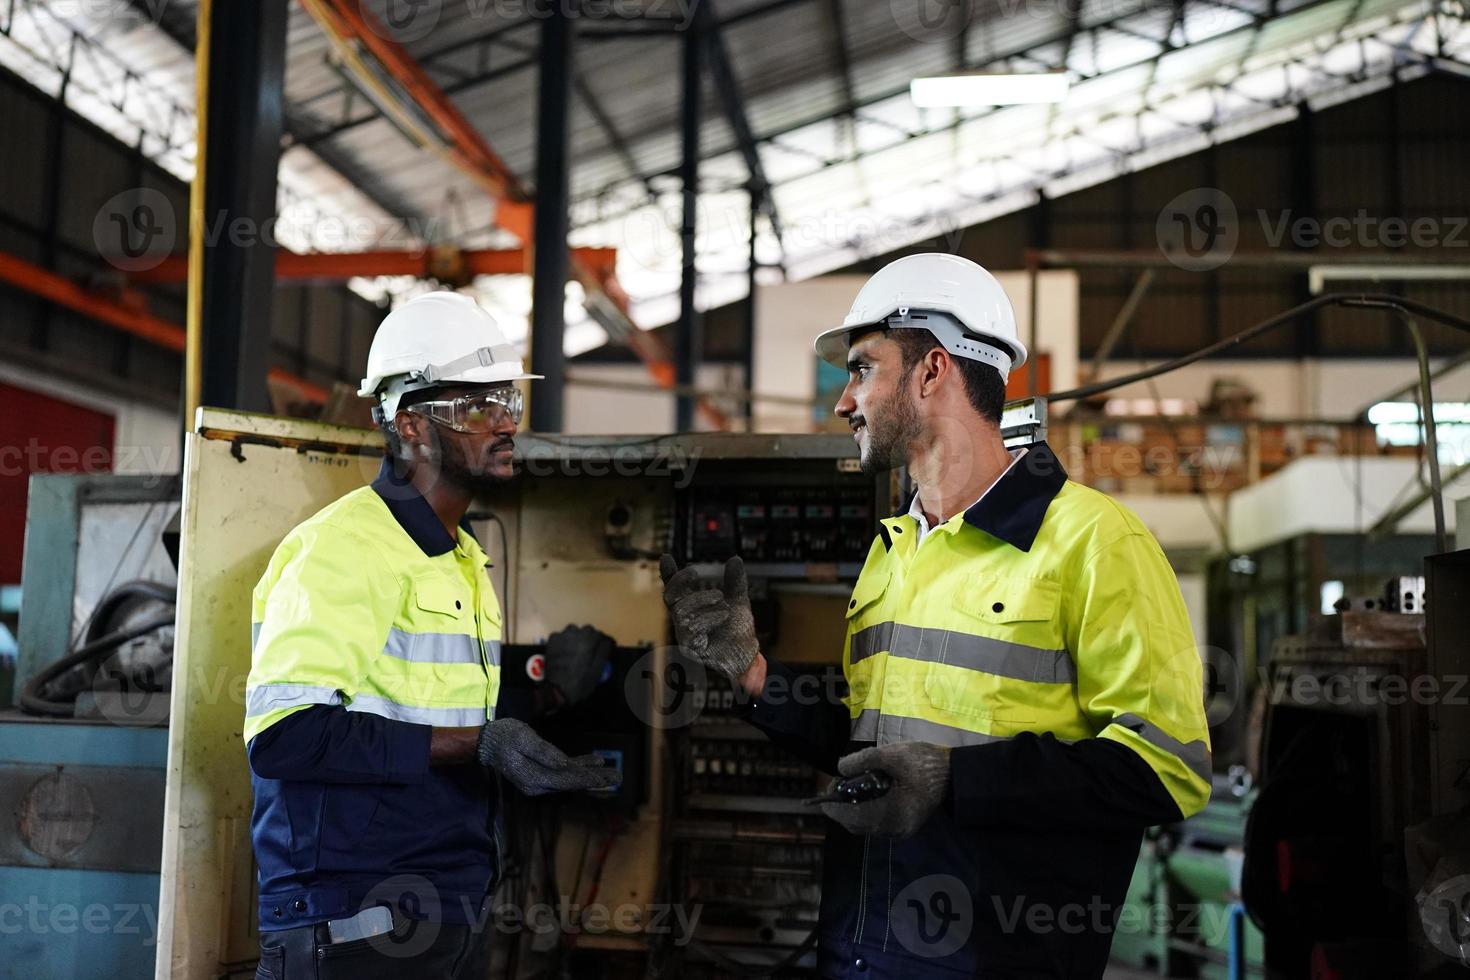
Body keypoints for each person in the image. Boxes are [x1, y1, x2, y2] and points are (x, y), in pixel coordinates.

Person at [661, 254, 1212, 979]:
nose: (843, 402)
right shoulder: (896, 546)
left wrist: (958, 781)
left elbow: (1167, 768)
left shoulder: (1095, 541)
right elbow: (872, 744)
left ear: (932, 371)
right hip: (860, 946)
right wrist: (757, 675)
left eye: (862, 369)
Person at [244, 291, 617, 979]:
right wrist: (478, 745)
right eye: (477, 408)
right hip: (355, 923)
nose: (504, 424)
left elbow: (429, 710)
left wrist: (542, 707)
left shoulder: (459, 555)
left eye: (508, 402)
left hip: (437, 909)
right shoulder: (344, 549)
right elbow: (285, 735)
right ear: (410, 426)